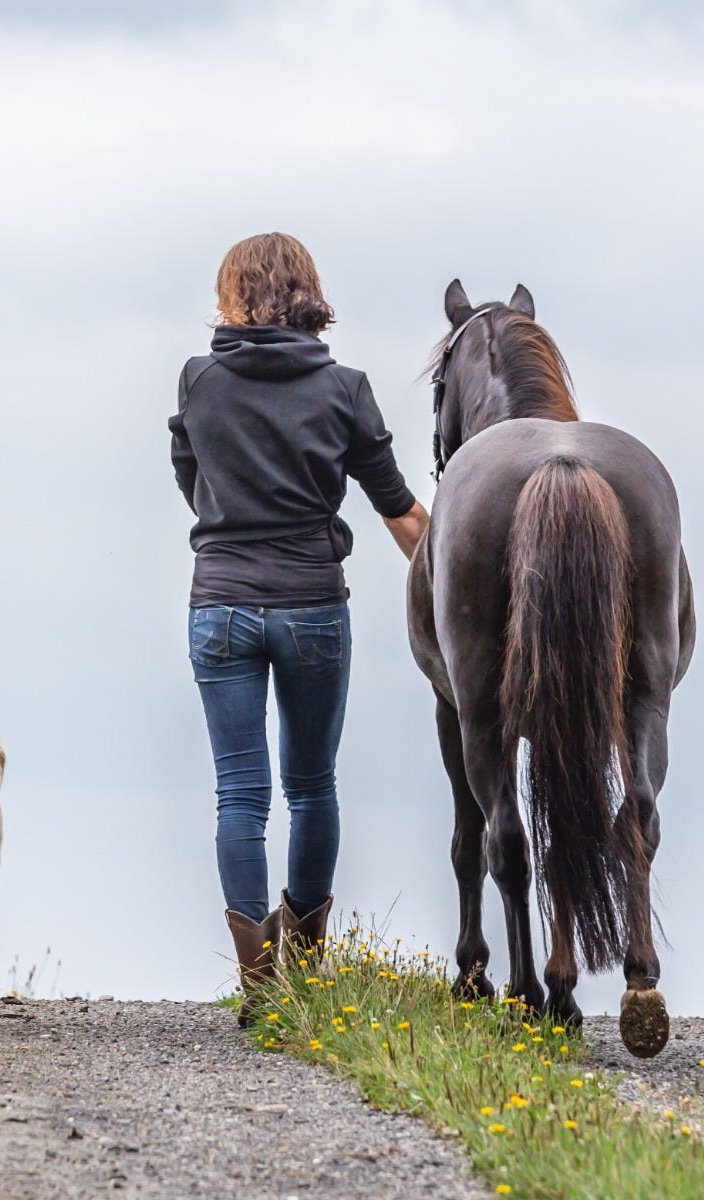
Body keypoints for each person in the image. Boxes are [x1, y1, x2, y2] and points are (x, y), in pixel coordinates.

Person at [169, 232, 428, 1023]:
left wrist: (230, 529)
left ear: (233, 294)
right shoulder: (345, 388)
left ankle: (257, 982)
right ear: (306, 293)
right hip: (314, 604)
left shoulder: (199, 381)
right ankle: (307, 971)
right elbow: (399, 511)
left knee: (239, 795)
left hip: (219, 604)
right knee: (311, 786)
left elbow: (190, 476)